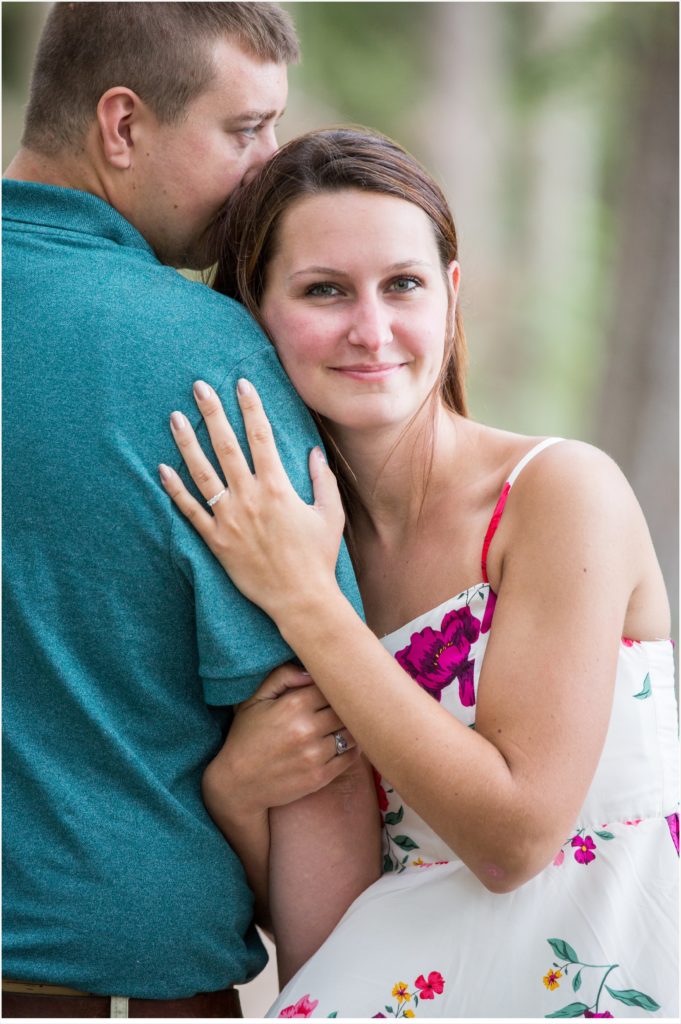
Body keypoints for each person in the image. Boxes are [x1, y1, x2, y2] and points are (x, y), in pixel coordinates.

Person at [161, 127, 680, 1018]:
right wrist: (235, 794)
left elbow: (513, 838)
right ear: (252, 314)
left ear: (449, 294)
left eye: (401, 284)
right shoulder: (296, 541)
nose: (371, 330)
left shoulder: (557, 493)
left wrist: (305, 603)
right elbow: (327, 939)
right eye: (324, 290)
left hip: (608, 975)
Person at [3, 7, 380, 1018]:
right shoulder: (205, 360)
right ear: (122, 126)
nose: (268, 167)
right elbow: (322, 754)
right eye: (244, 129)